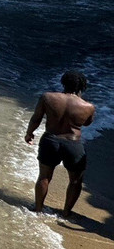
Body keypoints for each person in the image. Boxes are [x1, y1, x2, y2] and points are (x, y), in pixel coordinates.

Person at [25, 70, 96, 216]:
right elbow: (87, 123)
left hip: (50, 140)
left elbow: (36, 118)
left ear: (63, 82)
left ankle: (38, 209)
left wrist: (29, 133)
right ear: (82, 86)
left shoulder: (47, 97)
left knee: (44, 176)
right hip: (73, 144)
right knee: (75, 181)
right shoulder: (88, 107)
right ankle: (65, 213)